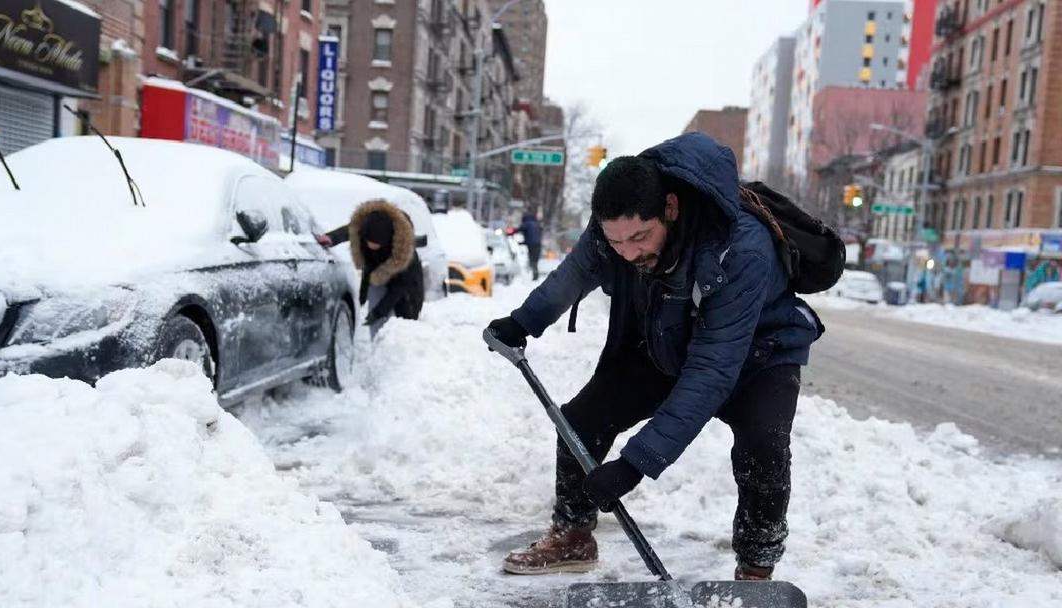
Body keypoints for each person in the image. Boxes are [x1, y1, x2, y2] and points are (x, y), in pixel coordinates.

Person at [485, 132, 824, 581]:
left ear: (671, 207)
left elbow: (712, 367)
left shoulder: (739, 247)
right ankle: (573, 534)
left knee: (763, 445)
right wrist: (524, 321)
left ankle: (757, 567)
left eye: (640, 238)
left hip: (759, 353)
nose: (629, 253)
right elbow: (578, 270)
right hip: (671, 338)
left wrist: (634, 464)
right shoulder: (617, 225)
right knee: (581, 421)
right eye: (618, 243)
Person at [346, 199, 424, 337]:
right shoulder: (365, 231)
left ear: (386, 241)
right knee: (376, 322)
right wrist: (362, 296)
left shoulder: (405, 255)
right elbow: (368, 267)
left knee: (404, 324)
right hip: (380, 279)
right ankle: (377, 347)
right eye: (369, 243)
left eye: (376, 244)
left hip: (406, 289)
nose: (372, 247)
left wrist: (378, 313)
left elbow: (399, 288)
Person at [518, 208, 544, 280]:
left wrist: (512, 231)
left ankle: (534, 273)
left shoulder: (527, 223)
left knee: (532, 259)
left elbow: (520, 229)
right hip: (538, 244)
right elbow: (535, 235)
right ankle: (535, 273)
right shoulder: (537, 224)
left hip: (531, 245)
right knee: (535, 260)